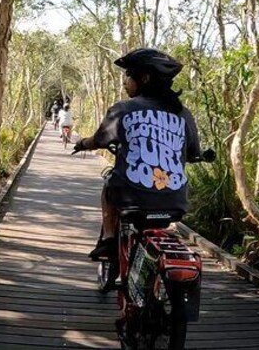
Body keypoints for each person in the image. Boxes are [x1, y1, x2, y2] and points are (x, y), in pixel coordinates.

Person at [73, 48, 202, 260]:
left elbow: (100, 139)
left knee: (108, 186)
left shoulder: (124, 109)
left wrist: (84, 143)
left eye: (128, 76)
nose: (125, 83)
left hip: (131, 197)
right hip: (175, 200)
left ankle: (108, 239)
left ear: (144, 78)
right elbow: (193, 152)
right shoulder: (183, 113)